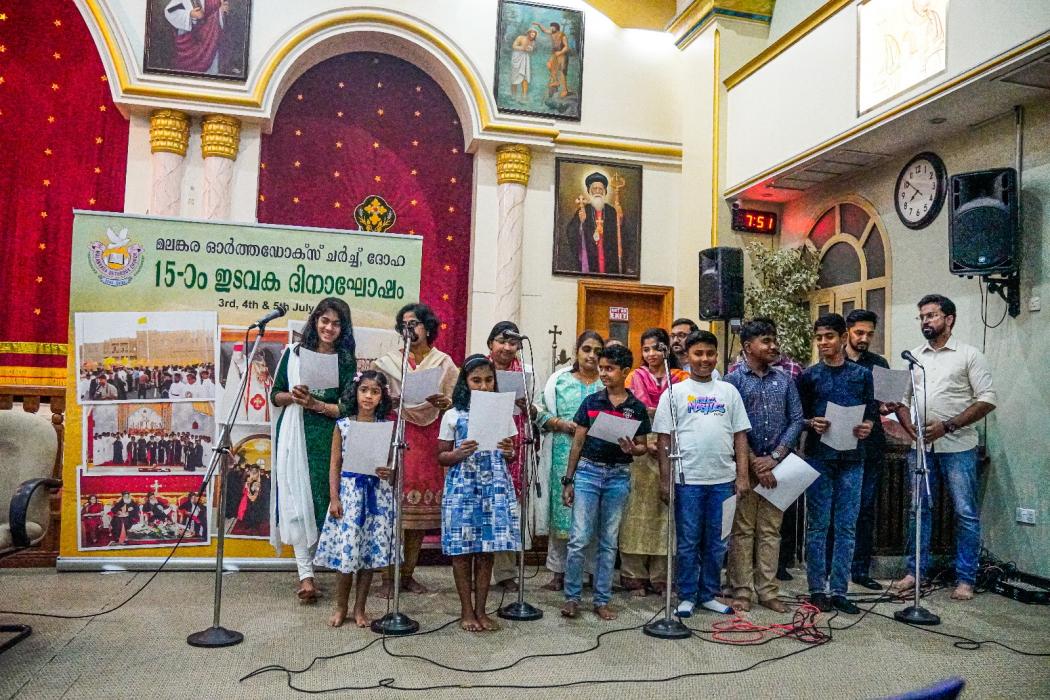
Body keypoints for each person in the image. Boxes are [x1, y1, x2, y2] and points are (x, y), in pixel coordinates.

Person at [890, 295, 996, 602]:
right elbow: (901, 400)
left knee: (965, 513)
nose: (925, 321)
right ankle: (915, 572)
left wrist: (948, 426)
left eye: (932, 315)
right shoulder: (914, 357)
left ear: (949, 319)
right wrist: (909, 428)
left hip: (958, 446)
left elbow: (987, 399)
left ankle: (966, 578)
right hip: (921, 448)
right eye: (922, 316)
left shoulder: (969, 355)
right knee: (918, 510)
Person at [654, 330, 750, 617]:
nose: (704, 359)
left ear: (716, 355)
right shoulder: (674, 393)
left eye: (710, 353)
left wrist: (742, 476)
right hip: (688, 481)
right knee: (688, 542)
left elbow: (740, 435)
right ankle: (686, 595)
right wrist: (665, 479)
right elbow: (664, 440)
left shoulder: (729, 392)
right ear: (687, 356)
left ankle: (708, 594)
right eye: (698, 353)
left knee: (717, 542)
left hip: (723, 480)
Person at [270, 297, 357, 604]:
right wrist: (293, 397)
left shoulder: (345, 361)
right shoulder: (293, 353)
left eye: (336, 323)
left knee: (324, 500)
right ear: (315, 321)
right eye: (324, 321)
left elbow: (348, 407)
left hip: (328, 438)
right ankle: (305, 577)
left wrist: (317, 404)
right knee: (295, 501)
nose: (329, 328)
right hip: (294, 434)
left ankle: (333, 567)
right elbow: (275, 396)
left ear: (343, 329)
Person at [560, 344, 650, 621]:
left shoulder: (636, 407)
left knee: (609, 542)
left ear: (625, 371)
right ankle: (572, 597)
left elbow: (643, 446)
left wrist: (632, 449)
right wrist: (568, 480)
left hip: (618, 475)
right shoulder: (592, 402)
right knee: (579, 538)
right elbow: (577, 443)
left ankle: (601, 599)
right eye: (602, 368)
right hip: (588, 472)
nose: (604, 373)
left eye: (610, 369)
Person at [373, 303, 457, 598]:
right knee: (392, 511)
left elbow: (455, 401)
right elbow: (373, 398)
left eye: (415, 323)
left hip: (427, 438)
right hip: (397, 434)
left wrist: (445, 403)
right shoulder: (387, 363)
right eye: (405, 324)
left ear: (428, 327)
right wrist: (391, 401)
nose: (410, 328)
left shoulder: (444, 363)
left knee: (416, 517)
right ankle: (387, 577)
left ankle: (407, 575)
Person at [796, 313, 878, 614]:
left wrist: (868, 425)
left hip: (853, 456)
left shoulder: (862, 375)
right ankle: (817, 588)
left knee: (846, 525)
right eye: (818, 338)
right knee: (818, 525)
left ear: (843, 338)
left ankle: (840, 589)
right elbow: (799, 416)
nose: (823, 343)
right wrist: (811, 422)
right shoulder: (809, 376)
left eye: (829, 337)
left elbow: (871, 411)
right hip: (820, 456)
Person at [724, 319, 804, 613]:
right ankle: (741, 589)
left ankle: (768, 591)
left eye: (774, 340)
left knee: (771, 530)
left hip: (779, 468)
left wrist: (775, 457)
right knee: (742, 530)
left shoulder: (784, 380)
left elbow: (797, 419)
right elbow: (731, 424)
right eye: (766, 341)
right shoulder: (733, 381)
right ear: (748, 347)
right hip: (745, 467)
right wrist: (754, 461)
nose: (773, 346)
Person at [438, 355, 519, 632]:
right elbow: (441, 456)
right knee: (462, 551)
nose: (483, 386)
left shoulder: (502, 413)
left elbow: (509, 453)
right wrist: (458, 453)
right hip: (463, 487)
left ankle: (482, 610)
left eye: (488, 380)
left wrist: (509, 451)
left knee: (487, 550)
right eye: (476, 380)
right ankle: (466, 610)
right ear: (465, 383)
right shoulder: (453, 414)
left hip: (493, 487)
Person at [314, 371, 397, 628]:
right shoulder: (343, 425)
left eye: (375, 392)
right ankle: (341, 606)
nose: (369, 396)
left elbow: (392, 465)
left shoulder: (386, 427)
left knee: (368, 555)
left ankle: (360, 608)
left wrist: (389, 472)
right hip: (349, 494)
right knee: (347, 554)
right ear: (356, 392)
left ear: (382, 397)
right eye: (364, 390)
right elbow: (334, 464)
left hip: (376, 495)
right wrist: (334, 498)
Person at [534, 330, 604, 591]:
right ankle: (558, 571)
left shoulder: (606, 382)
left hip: (597, 453)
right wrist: (560, 423)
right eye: (587, 349)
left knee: (594, 514)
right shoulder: (559, 380)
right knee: (563, 512)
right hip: (563, 452)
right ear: (577, 351)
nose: (592, 356)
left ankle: (592, 571)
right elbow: (539, 411)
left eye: (598, 351)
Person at [620, 328, 687, 596]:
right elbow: (627, 410)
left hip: (672, 443)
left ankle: (661, 574)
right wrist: (643, 443)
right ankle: (633, 573)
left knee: (665, 509)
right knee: (636, 510)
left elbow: (683, 410)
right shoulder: (633, 377)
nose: (651, 354)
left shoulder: (681, 378)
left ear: (667, 349)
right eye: (646, 349)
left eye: (657, 348)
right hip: (640, 443)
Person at [843, 309, 890, 590]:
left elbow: (884, 404)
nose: (864, 338)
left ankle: (860, 569)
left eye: (870, 334)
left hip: (870, 444)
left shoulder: (879, 363)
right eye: (859, 333)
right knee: (837, 509)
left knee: (865, 508)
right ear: (847, 332)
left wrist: (886, 406)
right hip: (838, 444)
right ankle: (833, 567)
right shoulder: (834, 359)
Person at [486, 321, 532, 592]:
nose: (506, 347)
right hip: (482, 438)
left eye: (512, 343)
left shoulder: (525, 373)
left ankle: (505, 572)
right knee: (482, 505)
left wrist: (528, 407)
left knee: (508, 509)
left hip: (514, 440)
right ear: (490, 343)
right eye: (501, 341)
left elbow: (535, 412)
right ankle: (477, 571)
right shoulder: (478, 369)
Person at [562, 172, 626, 275]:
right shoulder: (583, 210)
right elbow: (571, 232)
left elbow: (623, 235)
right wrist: (581, 223)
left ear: (605, 192)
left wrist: (621, 219)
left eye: (600, 189)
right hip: (590, 257)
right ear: (589, 191)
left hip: (609, 258)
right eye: (594, 189)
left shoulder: (611, 211)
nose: (597, 191)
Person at [163, 0, 229, 75]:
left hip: (211, 40)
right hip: (190, 41)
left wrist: (221, 11)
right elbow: (169, 11)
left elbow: (219, 12)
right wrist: (191, 14)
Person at [532, 20, 571, 98]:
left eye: (553, 27)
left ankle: (565, 90)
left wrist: (560, 52)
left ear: (557, 27)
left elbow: (566, 47)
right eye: (551, 27)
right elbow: (544, 30)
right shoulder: (551, 33)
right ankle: (556, 81)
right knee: (549, 64)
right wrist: (539, 24)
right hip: (554, 53)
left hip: (562, 54)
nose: (551, 28)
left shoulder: (562, 35)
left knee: (562, 72)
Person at [509, 29, 538, 101]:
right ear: (528, 33)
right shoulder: (520, 38)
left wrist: (530, 49)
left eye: (534, 36)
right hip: (517, 57)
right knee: (515, 77)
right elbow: (514, 46)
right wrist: (522, 48)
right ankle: (514, 95)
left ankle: (524, 96)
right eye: (532, 34)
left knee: (525, 77)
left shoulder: (532, 42)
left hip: (525, 58)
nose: (532, 36)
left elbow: (531, 50)